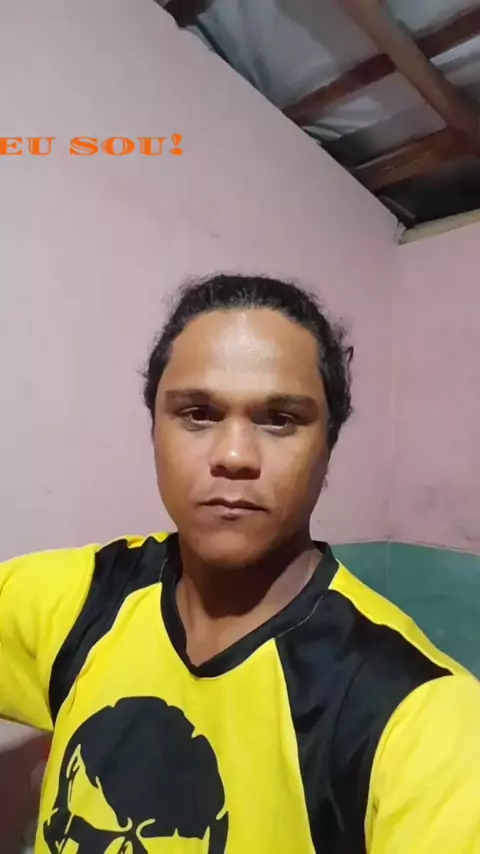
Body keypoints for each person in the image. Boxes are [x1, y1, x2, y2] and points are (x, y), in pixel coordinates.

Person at [1, 274, 479, 854]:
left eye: (280, 419)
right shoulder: (79, 598)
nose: (233, 456)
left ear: (328, 446)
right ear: (154, 431)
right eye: (198, 413)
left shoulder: (418, 717)